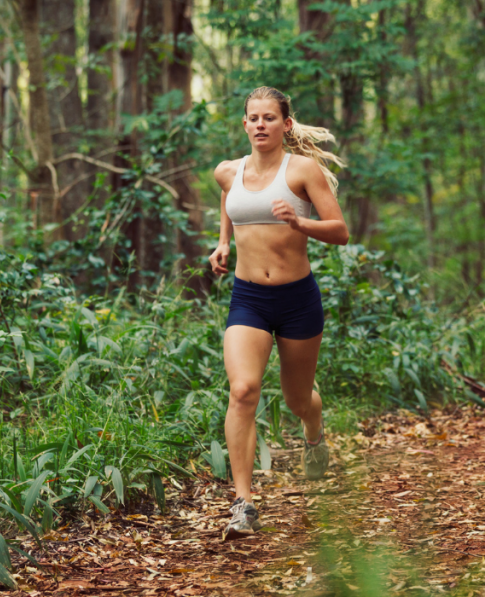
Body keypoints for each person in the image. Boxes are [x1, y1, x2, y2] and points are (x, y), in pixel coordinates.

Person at [209, 86, 349, 537]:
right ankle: (243, 503)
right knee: (244, 389)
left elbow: (340, 231)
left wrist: (299, 221)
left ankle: (314, 436)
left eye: (270, 117)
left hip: (297, 300)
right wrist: (223, 242)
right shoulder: (227, 172)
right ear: (245, 124)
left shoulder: (302, 170)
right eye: (253, 118)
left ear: (286, 124)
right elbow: (231, 206)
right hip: (248, 298)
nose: (261, 124)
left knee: (296, 398)